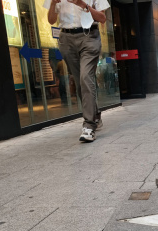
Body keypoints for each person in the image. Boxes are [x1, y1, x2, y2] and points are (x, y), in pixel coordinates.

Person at [45, 0, 110, 142]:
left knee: (85, 78)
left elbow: (102, 18)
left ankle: (89, 125)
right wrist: (52, 4)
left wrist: (83, 5)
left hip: (89, 36)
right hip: (66, 39)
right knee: (80, 82)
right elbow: (51, 20)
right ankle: (95, 115)